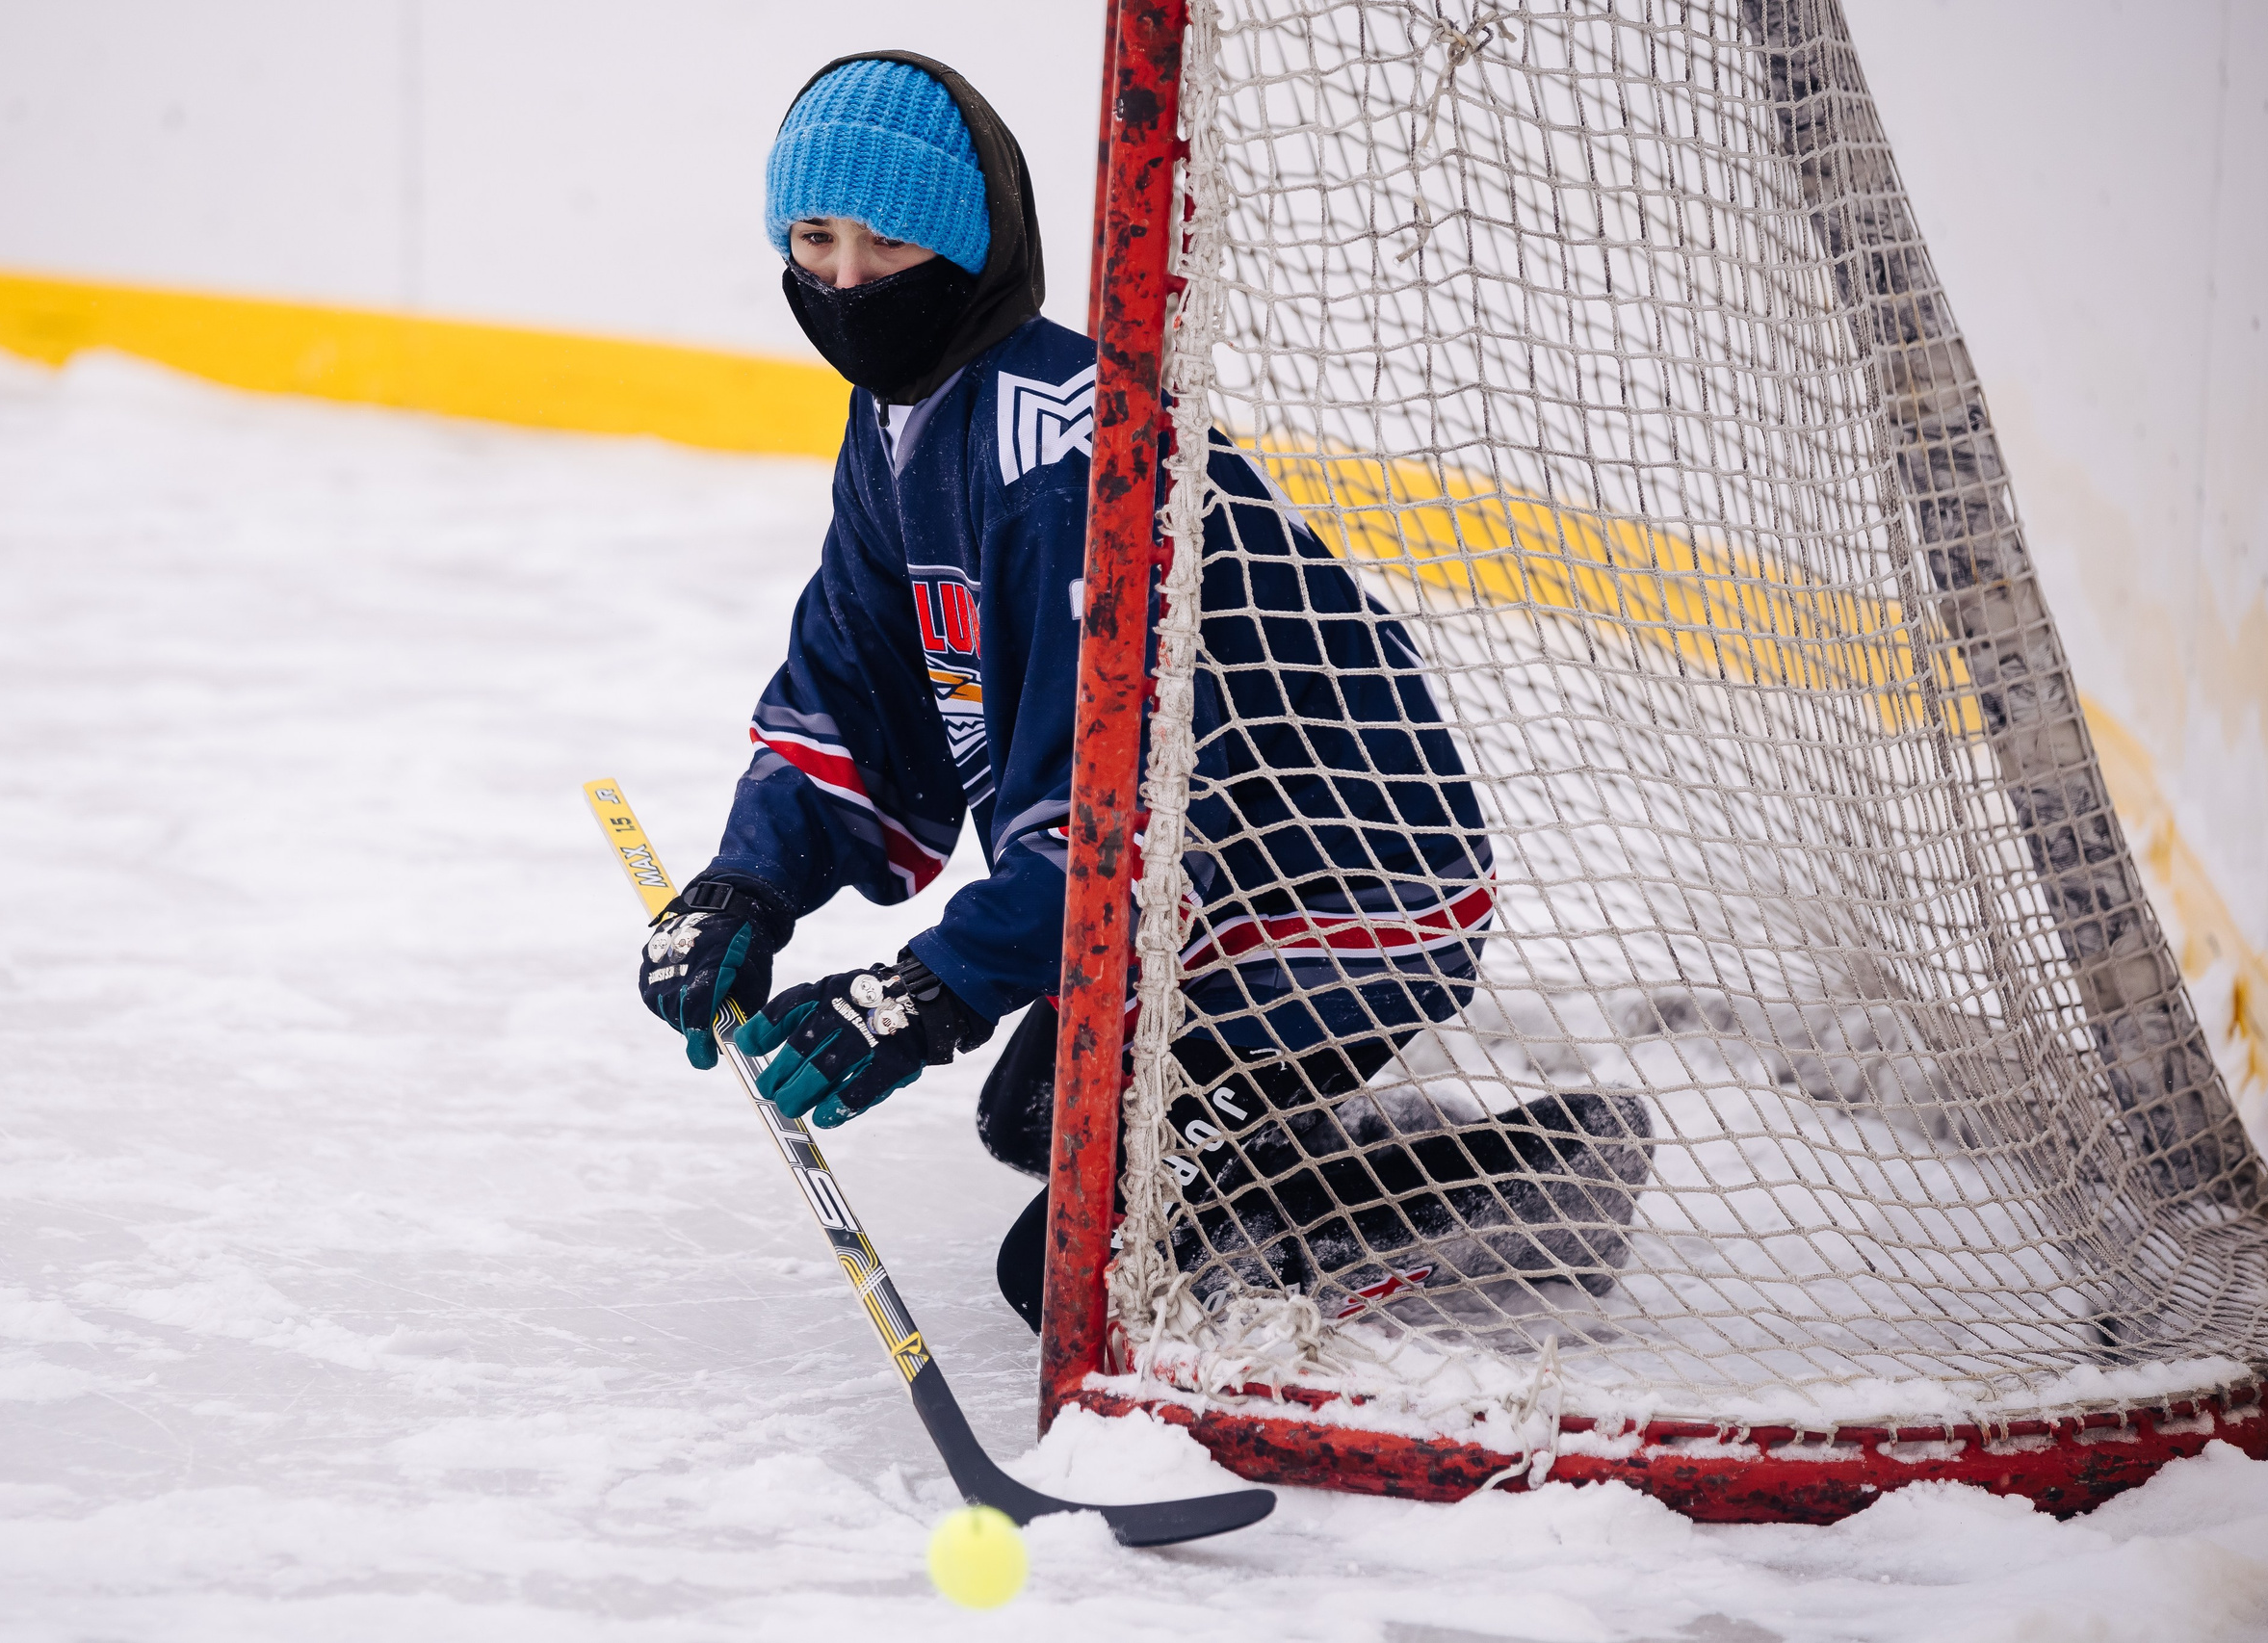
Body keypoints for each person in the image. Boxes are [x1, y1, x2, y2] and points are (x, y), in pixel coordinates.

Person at [638, 52, 1642, 1333]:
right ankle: (1328, 1145)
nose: (843, 280)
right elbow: (854, 685)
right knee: (1032, 1118)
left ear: (970, 244)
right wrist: (750, 883)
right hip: (1201, 890)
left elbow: (1123, 816)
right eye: (814, 239)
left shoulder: (1060, 453)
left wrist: (929, 991)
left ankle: (1542, 1177)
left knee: (1081, 1278)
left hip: (1335, 897)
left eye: (886, 240)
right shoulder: (904, 420)